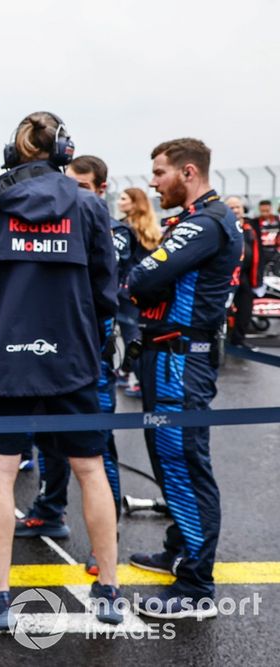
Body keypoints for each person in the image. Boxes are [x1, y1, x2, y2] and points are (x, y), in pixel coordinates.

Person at [0, 111, 121, 628]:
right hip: (71, 358)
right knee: (90, 469)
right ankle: (109, 590)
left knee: (2, 471)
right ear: (64, 153)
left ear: (12, 152)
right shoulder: (89, 205)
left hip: (4, 359)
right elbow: (106, 291)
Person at [127, 138, 242, 619]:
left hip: (181, 357)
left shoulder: (207, 222)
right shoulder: (196, 221)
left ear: (188, 172)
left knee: (183, 463)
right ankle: (179, 550)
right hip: (167, 355)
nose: (153, 183)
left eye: (159, 173)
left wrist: (137, 278)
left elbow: (142, 279)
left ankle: (196, 587)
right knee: (167, 457)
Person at [14, 155, 122, 576]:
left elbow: (110, 292)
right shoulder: (67, 222)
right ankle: (50, 508)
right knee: (48, 440)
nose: (67, 193)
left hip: (90, 354)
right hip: (53, 353)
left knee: (97, 452)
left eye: (80, 185)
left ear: (100, 188)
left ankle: (104, 542)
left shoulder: (111, 230)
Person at [115, 187, 162, 397]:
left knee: (131, 338)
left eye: (123, 198)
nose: (119, 201)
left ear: (135, 203)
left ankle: (143, 383)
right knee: (136, 337)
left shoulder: (126, 228)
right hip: (143, 289)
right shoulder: (151, 228)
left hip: (126, 292)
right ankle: (127, 373)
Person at [226, 196, 262, 349]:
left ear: (243, 209)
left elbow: (258, 252)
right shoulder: (223, 225)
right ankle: (218, 339)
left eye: (237, 207)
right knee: (221, 308)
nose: (235, 210)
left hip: (245, 275)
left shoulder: (251, 227)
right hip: (226, 275)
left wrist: (258, 280)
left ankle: (238, 340)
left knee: (245, 309)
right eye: (231, 207)